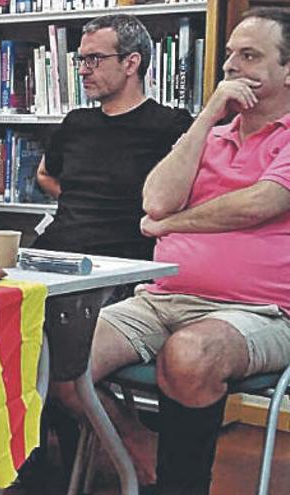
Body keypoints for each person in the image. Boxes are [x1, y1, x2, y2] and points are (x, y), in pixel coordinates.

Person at [53, 7, 290, 494]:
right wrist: (208, 116)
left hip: (263, 311)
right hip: (165, 297)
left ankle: (181, 485)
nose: (230, 67)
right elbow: (154, 199)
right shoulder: (212, 134)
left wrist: (171, 224)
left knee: (189, 356)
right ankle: (143, 453)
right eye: (228, 56)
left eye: (250, 56)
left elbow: (260, 204)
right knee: (56, 356)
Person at [34, 14, 193, 260]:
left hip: (121, 259)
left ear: (131, 63)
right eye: (81, 59)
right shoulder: (76, 122)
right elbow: (45, 174)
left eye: (94, 59)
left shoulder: (170, 125)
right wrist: (82, 204)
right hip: (54, 250)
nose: (82, 70)